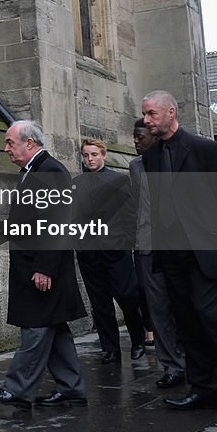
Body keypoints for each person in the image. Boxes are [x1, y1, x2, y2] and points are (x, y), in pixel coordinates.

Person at [140, 90, 217, 418]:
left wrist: (212, 233)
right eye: (145, 115)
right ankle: (203, 389)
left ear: (170, 112)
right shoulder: (151, 156)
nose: (146, 121)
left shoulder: (205, 149)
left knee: (212, 320)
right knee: (186, 324)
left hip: (205, 252)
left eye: (151, 114)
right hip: (172, 255)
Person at [0, 120, 87, 410]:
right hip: (36, 264)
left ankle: (17, 389)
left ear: (30, 143)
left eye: (10, 143)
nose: (6, 149)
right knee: (55, 328)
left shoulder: (50, 171)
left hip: (41, 267)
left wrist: (45, 267)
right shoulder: (34, 172)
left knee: (36, 327)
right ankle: (72, 389)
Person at [72, 138, 147, 364]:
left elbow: (130, 215)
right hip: (89, 254)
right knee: (100, 303)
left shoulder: (120, 180)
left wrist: (126, 242)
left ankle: (138, 340)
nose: (90, 159)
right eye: (86, 155)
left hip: (116, 251)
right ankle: (110, 347)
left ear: (103, 155)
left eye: (94, 154)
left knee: (127, 297)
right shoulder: (76, 184)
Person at [130, 118, 185, 388]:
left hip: (180, 245)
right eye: (134, 137)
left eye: (141, 136)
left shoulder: (176, 158)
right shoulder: (135, 166)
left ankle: (195, 359)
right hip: (147, 246)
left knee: (185, 305)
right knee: (158, 307)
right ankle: (172, 365)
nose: (136, 141)